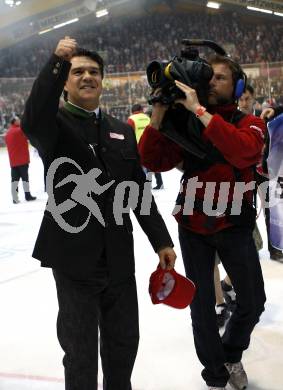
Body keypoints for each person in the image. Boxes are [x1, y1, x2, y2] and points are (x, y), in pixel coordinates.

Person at [22, 36, 176, 390]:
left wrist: (161, 241)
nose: (87, 77)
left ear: (103, 80)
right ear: (65, 82)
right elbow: (33, 117)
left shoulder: (121, 131)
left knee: (123, 348)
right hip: (74, 262)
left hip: (119, 260)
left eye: (93, 71)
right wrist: (57, 60)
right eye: (77, 72)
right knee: (80, 354)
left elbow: (138, 192)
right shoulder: (52, 128)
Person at [139, 54, 266, 390]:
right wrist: (160, 112)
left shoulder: (250, 123)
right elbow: (152, 159)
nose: (211, 83)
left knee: (253, 303)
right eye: (208, 78)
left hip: (235, 223)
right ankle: (215, 374)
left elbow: (242, 151)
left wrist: (199, 111)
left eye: (220, 78)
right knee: (202, 308)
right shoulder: (188, 122)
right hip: (193, 224)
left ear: (238, 87)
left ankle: (230, 353)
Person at [127, 103, 164, 189]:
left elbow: (129, 133)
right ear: (141, 110)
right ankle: (160, 183)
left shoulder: (131, 119)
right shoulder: (147, 118)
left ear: (133, 111)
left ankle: (145, 184)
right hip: (150, 144)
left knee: (141, 166)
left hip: (138, 145)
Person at [4, 116, 36, 203]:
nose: (20, 121)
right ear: (14, 122)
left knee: (14, 180)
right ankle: (27, 195)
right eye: (18, 120)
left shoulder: (8, 133)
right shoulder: (20, 130)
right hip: (22, 160)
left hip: (13, 162)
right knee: (25, 179)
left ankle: (15, 198)